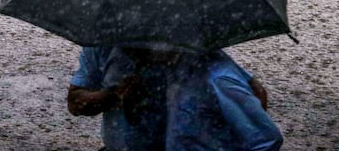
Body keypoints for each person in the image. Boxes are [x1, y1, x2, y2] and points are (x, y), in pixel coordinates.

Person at [68, 46, 281, 151]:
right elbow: (75, 101)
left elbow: (255, 94)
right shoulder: (101, 45)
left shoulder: (197, 56)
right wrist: (114, 95)